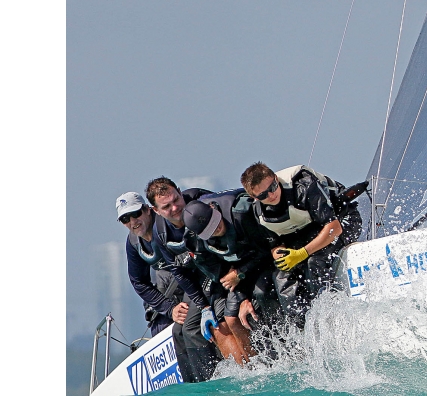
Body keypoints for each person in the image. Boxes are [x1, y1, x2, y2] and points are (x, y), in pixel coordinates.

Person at [144, 177, 248, 379]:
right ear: (156, 211)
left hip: (228, 268)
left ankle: (245, 373)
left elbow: (231, 203)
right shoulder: (161, 233)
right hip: (202, 277)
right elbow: (178, 272)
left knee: (218, 321)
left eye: (176, 199)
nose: (175, 208)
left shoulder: (201, 201)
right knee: (183, 331)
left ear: (180, 192)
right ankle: (201, 385)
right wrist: (203, 306)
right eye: (166, 207)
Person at [239, 162, 362, 328]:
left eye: (273, 187)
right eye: (263, 195)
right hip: (307, 231)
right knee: (281, 276)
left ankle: (328, 319)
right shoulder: (259, 213)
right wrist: (282, 254)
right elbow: (275, 246)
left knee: (314, 262)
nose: (272, 195)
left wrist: (302, 253)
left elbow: (334, 228)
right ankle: (299, 329)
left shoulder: (304, 187)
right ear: (255, 198)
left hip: (342, 220)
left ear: (276, 179)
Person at [181, 189, 278, 364]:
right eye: (210, 230)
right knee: (231, 319)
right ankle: (255, 367)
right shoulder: (194, 242)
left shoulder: (241, 213)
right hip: (236, 275)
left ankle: (281, 350)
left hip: (262, 262)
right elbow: (217, 274)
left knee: (261, 295)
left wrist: (241, 272)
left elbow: (267, 249)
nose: (217, 228)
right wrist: (241, 293)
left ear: (214, 209)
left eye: (215, 221)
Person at [115, 191, 186, 350]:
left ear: (147, 209)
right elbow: (138, 282)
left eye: (135, 214)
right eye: (126, 219)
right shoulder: (133, 243)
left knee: (189, 327)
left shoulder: (167, 222)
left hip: (190, 282)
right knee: (160, 327)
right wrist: (169, 309)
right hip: (167, 293)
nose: (133, 221)